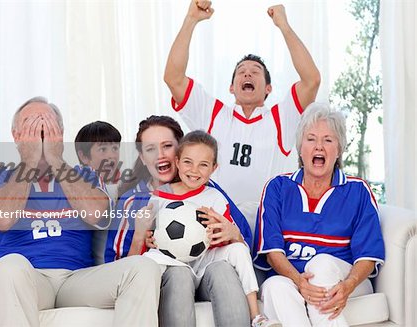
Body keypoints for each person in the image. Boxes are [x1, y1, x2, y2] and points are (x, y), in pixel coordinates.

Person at [0, 97, 161, 327]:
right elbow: (0, 220)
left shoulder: (86, 175)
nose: (41, 135)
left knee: (143, 268)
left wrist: (55, 158)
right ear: (16, 136)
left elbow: (98, 215)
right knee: (8, 267)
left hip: (76, 280)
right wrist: (29, 162)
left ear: (60, 134)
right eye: (32, 126)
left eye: (47, 127)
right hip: (25, 279)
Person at [164, 1, 321, 204]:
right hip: (215, 220)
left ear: (268, 88)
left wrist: (284, 26)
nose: (247, 72)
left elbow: (312, 80)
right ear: (231, 87)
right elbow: (173, 78)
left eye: (255, 71)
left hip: (265, 221)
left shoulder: (281, 117)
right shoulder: (213, 113)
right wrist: (191, 19)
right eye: (241, 71)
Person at [104, 115, 253, 326]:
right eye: (150, 149)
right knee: (179, 274)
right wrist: (140, 238)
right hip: (168, 278)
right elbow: (116, 273)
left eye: (167, 146)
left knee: (223, 270)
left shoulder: (209, 192)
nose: (160, 155)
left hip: (205, 276)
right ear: (142, 156)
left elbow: (245, 246)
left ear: (180, 150)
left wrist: (232, 234)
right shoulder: (133, 202)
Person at [252, 103, 385, 326]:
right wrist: (299, 281)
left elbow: (368, 256)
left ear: (339, 149)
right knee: (275, 286)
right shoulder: (277, 188)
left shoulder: (358, 191)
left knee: (320, 265)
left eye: (328, 140)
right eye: (311, 139)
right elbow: (273, 252)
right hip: (292, 278)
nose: (319, 147)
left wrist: (348, 285)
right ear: (300, 148)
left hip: (343, 279)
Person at [144, 130, 281, 327]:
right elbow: (150, 234)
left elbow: (226, 235)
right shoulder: (159, 197)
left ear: (214, 168)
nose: (194, 170)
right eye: (188, 162)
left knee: (239, 249)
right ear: (177, 162)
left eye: (203, 165)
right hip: (174, 264)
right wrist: (150, 239)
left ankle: (256, 316)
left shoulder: (214, 197)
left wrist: (231, 234)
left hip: (206, 262)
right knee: (149, 258)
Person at [75, 121, 122, 202]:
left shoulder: (124, 183)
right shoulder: (77, 185)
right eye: (103, 149)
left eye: (115, 148)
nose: (112, 155)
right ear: (83, 157)